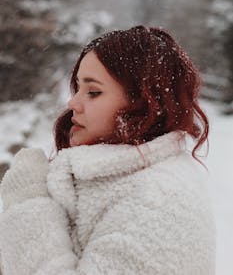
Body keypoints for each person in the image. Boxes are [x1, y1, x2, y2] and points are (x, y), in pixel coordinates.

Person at [0, 25, 215, 275]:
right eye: (77, 88)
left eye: (93, 92)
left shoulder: (157, 202)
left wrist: (29, 200)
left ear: (145, 102)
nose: (72, 103)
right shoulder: (118, 179)